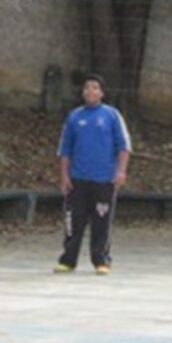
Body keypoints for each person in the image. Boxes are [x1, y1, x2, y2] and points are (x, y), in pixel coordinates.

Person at [54, 73, 131, 275]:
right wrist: (64, 176)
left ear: (102, 93)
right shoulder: (74, 117)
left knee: (101, 222)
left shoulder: (111, 116)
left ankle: (101, 260)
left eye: (95, 88)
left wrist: (121, 171)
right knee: (73, 221)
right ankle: (68, 260)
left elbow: (123, 147)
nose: (90, 91)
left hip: (104, 179)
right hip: (78, 179)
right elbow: (65, 149)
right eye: (87, 87)